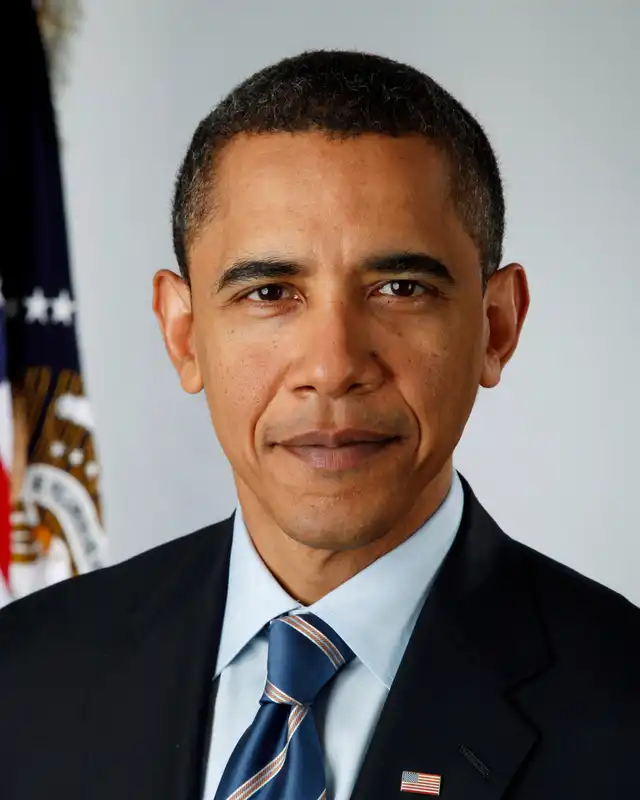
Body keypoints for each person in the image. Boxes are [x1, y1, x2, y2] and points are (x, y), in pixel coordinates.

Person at [1, 49, 638, 800]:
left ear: (497, 327)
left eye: (400, 288)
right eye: (270, 291)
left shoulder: (623, 710)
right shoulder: (23, 673)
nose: (333, 365)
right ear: (183, 334)